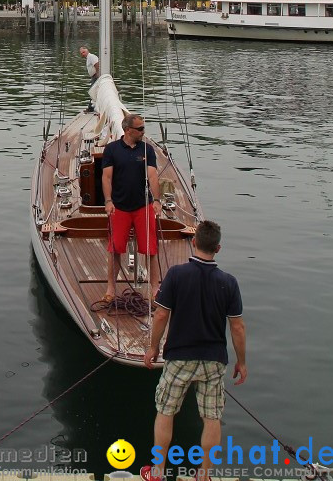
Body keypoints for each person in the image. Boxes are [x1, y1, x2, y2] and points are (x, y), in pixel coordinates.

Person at [141, 220, 247, 481]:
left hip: (179, 357)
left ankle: (157, 472)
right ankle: (204, 476)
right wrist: (241, 362)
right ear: (218, 248)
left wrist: (153, 348)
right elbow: (237, 328)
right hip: (214, 361)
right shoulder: (229, 283)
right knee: (211, 417)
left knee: (166, 412)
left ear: (194, 242)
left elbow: (161, 316)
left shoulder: (176, 275)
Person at [101, 113, 161, 301]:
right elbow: (107, 177)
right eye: (140, 128)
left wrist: (157, 200)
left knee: (150, 249)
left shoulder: (147, 150)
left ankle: (155, 289)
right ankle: (111, 288)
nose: (144, 131)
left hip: (143, 206)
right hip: (120, 207)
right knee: (115, 249)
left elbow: (152, 176)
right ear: (128, 130)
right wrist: (108, 201)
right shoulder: (111, 150)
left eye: (144, 127)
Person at [79, 45, 99, 110]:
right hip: (93, 77)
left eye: (83, 52)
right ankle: (92, 107)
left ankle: (91, 107)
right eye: (81, 53)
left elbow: (97, 64)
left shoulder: (91, 57)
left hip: (96, 76)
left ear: (87, 51)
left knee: (92, 91)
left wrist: (97, 75)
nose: (82, 54)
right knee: (92, 91)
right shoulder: (88, 58)